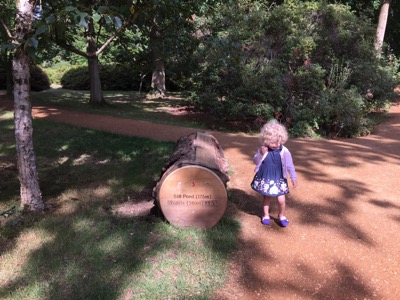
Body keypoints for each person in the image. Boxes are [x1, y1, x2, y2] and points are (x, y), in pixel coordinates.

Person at [251, 119, 298, 227]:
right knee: (267, 197)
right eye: (272, 142)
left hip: (279, 178)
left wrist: (293, 178)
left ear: (281, 139)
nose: (276, 144)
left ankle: (281, 215)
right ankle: (265, 215)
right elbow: (255, 161)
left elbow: (290, 165)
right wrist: (261, 154)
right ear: (266, 140)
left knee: (281, 199)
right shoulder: (263, 149)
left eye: (278, 142)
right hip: (266, 177)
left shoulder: (284, 151)